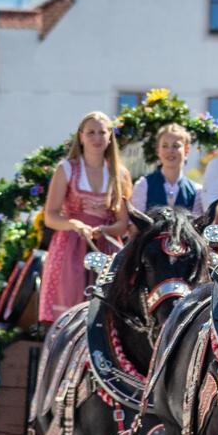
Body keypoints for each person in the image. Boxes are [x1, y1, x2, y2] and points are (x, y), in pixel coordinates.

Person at [38, 112, 133, 325]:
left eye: (102, 132)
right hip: (70, 246)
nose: (97, 138)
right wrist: (73, 223)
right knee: (68, 317)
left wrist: (105, 230)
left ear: (110, 136)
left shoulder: (119, 174)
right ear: (81, 136)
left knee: (106, 316)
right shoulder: (67, 169)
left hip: (106, 248)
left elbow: (122, 223)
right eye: (91, 132)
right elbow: (50, 217)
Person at [133, 123, 202, 214]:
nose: (170, 151)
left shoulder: (196, 191)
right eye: (165, 146)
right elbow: (136, 221)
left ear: (186, 149)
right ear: (158, 150)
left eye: (176, 146)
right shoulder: (143, 185)